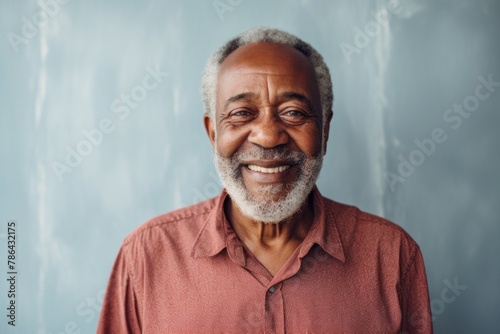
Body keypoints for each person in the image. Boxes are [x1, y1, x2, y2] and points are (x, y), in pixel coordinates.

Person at [97, 27, 432, 333]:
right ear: (213, 133)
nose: (269, 137)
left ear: (325, 130)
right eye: (242, 113)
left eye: (294, 113)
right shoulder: (145, 257)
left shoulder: (392, 256)